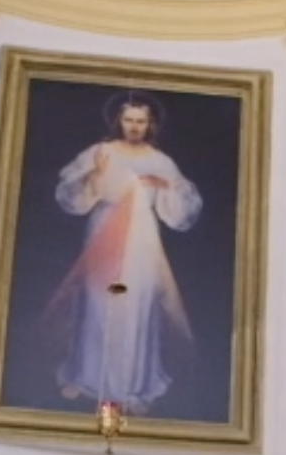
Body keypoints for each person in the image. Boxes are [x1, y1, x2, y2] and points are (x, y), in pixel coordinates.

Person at [45, 92, 203, 411]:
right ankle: (85, 375)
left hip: (142, 239)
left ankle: (133, 385)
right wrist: (93, 176)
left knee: (137, 304)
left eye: (141, 121)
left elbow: (184, 204)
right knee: (95, 303)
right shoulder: (101, 152)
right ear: (119, 121)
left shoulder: (160, 161)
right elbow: (69, 191)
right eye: (129, 120)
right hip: (104, 230)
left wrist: (166, 186)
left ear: (150, 124)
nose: (134, 127)